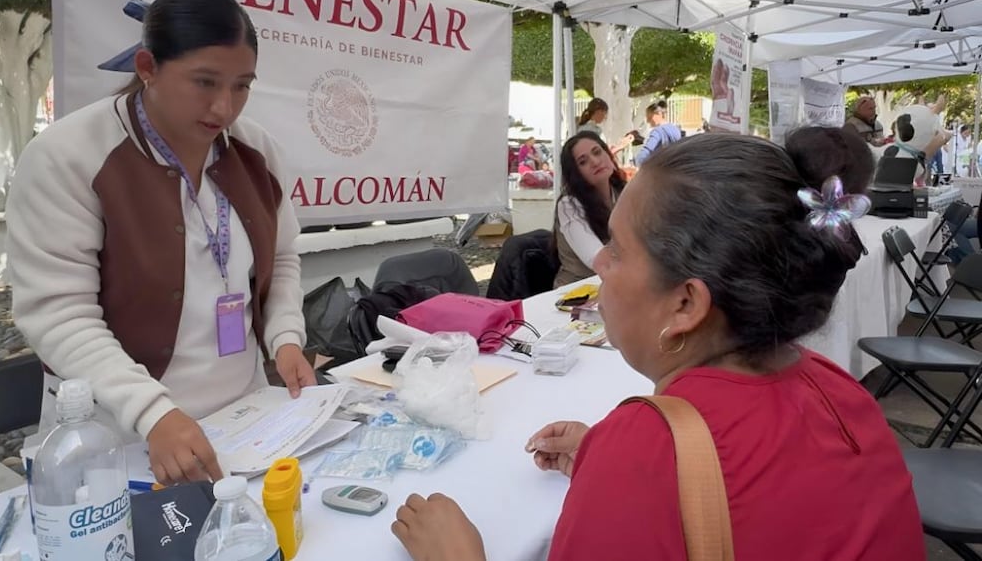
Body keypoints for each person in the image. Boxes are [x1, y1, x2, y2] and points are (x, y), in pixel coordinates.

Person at [391, 134, 924, 560]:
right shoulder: (834, 384)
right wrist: (609, 463)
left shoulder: (649, 449)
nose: (599, 263)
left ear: (685, 305)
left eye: (618, 251)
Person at [6, 0, 316, 486]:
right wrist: (154, 413)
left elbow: (280, 259)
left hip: (248, 421)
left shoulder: (255, 151)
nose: (224, 108)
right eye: (204, 82)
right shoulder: (67, 156)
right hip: (123, 438)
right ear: (147, 67)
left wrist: (284, 338)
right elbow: (58, 312)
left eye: (242, 85)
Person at [551, 132, 625, 288]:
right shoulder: (568, 205)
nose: (595, 161)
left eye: (597, 152)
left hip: (617, 286)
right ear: (575, 174)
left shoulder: (624, 193)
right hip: (576, 294)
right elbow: (599, 261)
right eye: (583, 162)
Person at [632, 100, 682, 165]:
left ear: (659, 114)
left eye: (649, 117)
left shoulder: (658, 131)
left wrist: (636, 163)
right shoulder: (675, 129)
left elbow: (647, 150)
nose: (647, 121)